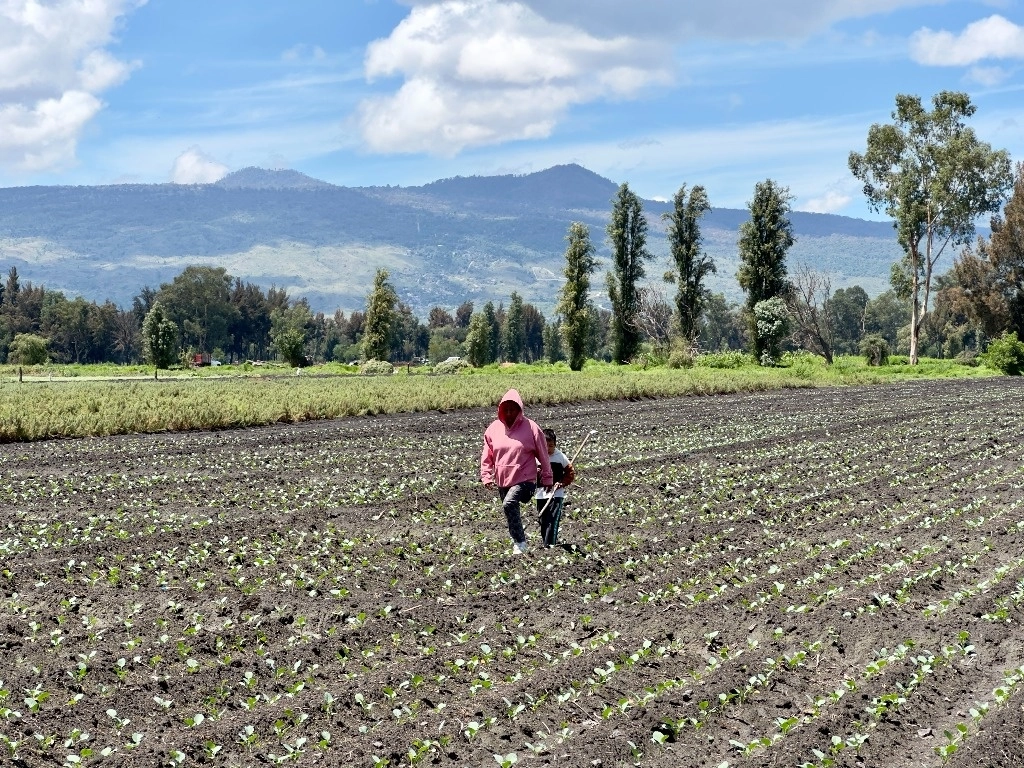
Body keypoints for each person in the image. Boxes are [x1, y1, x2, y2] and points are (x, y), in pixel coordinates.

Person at [480, 389, 552, 555]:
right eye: (506, 409)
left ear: (519, 410)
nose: (510, 412)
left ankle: (520, 543)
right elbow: (487, 455)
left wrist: (547, 477)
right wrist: (486, 475)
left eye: (513, 409)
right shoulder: (493, 429)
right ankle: (517, 542)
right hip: (503, 479)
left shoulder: (531, 428)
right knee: (509, 511)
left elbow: (543, 454)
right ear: (501, 410)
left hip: (525, 479)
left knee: (509, 503)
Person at [535, 429, 575, 547]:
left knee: (552, 519)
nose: (548, 449)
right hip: (540, 493)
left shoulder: (560, 457)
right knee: (543, 520)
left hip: (556, 494)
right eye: (545, 446)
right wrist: (535, 472)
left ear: (555, 444)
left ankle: (551, 545)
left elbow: (570, 473)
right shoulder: (537, 457)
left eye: (551, 446)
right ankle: (545, 543)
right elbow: (529, 474)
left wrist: (562, 483)